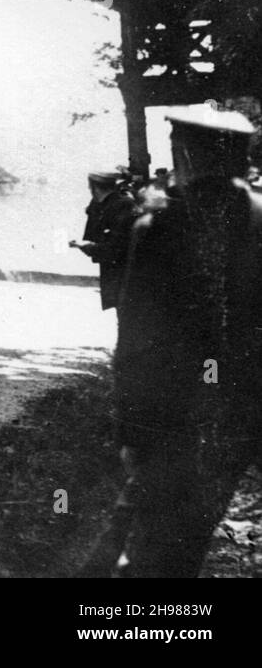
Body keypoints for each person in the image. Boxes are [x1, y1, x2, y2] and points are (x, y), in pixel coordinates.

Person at [83, 108, 262, 578]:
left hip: (171, 413)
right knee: (186, 532)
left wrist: (130, 426)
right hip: (241, 415)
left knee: (155, 541)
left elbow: (139, 337)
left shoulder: (161, 228)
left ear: (184, 154)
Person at [72, 170, 138, 312]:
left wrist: (88, 247)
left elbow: (116, 248)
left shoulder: (121, 205)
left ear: (93, 187)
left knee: (125, 313)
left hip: (124, 276)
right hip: (115, 274)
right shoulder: (108, 204)